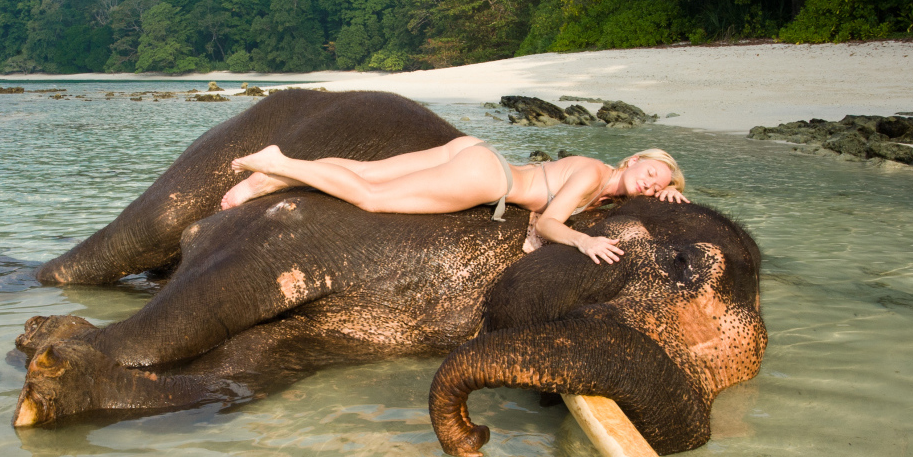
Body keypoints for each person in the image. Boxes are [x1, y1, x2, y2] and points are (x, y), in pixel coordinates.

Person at [220, 136, 687, 264]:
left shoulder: (606, 185)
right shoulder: (593, 174)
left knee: (365, 170)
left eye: (657, 185)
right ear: (633, 160)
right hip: (487, 177)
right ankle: (280, 161)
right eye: (650, 173)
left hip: (476, 152)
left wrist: (671, 192)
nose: (650, 185)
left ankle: (271, 180)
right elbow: (549, 224)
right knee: (371, 196)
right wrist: (583, 242)